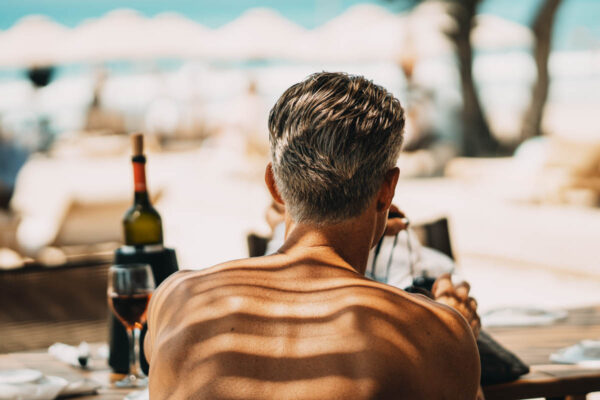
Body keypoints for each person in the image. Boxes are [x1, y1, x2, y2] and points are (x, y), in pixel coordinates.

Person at [145, 72, 481, 399]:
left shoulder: (175, 299)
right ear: (387, 190)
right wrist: (457, 331)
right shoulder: (430, 332)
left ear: (274, 186)